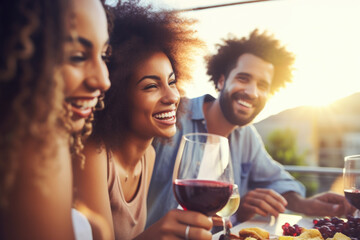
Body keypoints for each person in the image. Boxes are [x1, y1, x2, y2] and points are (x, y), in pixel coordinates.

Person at [147, 29, 354, 228]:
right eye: (243, 78)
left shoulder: (246, 136)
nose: (252, 92)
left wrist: (305, 204)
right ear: (221, 81)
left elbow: (275, 178)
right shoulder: (172, 114)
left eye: (263, 85)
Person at [73, 1, 212, 240]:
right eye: (151, 86)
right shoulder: (93, 154)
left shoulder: (148, 156)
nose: (172, 97)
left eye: (171, 81)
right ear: (116, 96)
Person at [0, 0, 111, 239]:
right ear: (18, 53)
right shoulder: (39, 147)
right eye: (78, 56)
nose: (103, 81)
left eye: (103, 55)